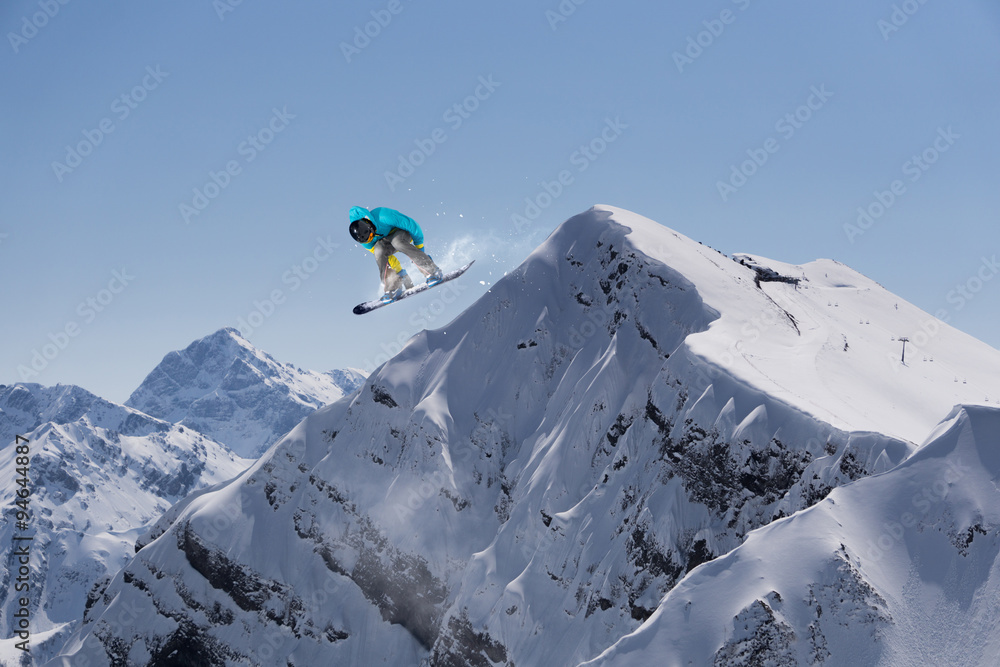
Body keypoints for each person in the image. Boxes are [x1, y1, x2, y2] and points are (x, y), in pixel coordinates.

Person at [349, 206, 443, 302]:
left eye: (371, 236)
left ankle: (432, 270)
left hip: (402, 233)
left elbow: (411, 224)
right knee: (378, 251)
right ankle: (393, 287)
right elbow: (384, 257)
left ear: (369, 226)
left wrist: (420, 249)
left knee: (397, 242)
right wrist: (399, 273)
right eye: (368, 239)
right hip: (386, 241)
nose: (371, 239)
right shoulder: (365, 242)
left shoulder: (383, 216)